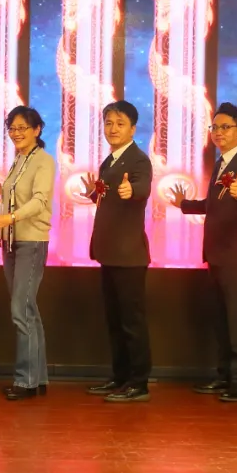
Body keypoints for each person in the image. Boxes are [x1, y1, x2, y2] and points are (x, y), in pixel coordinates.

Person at [170, 102, 237, 402]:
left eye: (225, 127)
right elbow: (214, 205)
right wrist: (185, 205)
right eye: (215, 127)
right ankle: (224, 376)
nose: (218, 133)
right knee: (222, 321)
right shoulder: (221, 163)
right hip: (217, 255)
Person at [81, 100, 154, 403]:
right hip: (109, 252)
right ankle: (120, 376)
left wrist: (131, 190)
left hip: (128, 254)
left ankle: (139, 382)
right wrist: (94, 192)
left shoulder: (138, 160)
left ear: (133, 129)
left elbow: (142, 187)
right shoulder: (109, 162)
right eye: (109, 123)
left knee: (131, 322)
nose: (113, 129)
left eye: (120, 123)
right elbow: (107, 196)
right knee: (114, 320)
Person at [0, 106, 55, 401]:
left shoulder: (44, 161)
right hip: (11, 242)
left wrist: (10, 218)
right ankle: (38, 378)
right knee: (28, 311)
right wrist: (1, 191)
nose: (16, 133)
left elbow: (39, 201)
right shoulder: (19, 160)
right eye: (12, 128)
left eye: (22, 127)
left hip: (31, 242)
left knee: (21, 311)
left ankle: (26, 381)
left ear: (37, 130)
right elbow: (17, 196)